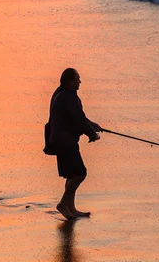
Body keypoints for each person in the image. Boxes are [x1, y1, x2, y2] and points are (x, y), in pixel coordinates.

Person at [48, 68, 102, 219]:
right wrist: (92, 134)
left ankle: (70, 208)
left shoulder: (61, 93)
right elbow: (78, 119)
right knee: (80, 173)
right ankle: (63, 204)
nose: (80, 82)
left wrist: (91, 124)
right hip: (65, 141)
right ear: (70, 81)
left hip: (60, 139)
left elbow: (77, 117)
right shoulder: (69, 97)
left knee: (71, 174)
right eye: (77, 79)